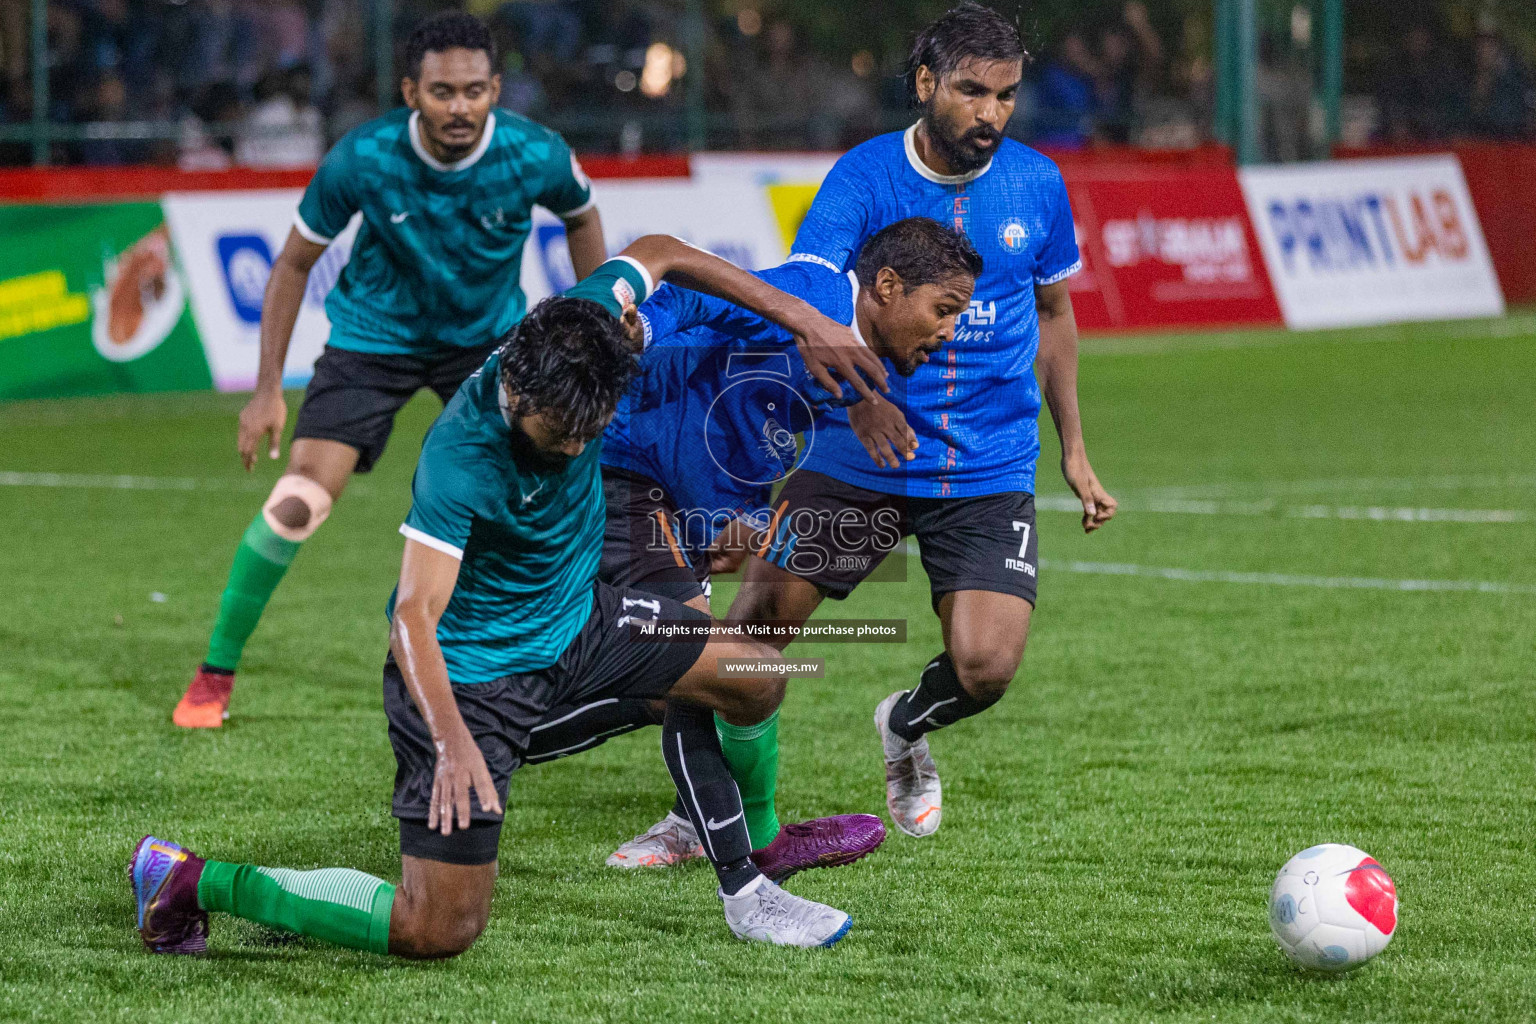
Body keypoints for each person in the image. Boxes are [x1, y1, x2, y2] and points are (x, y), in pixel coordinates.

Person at [132, 234, 889, 957]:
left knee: (752, 676)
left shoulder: (581, 331)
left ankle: (749, 885)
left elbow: (662, 253)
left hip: (586, 624)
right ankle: (193, 880)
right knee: (438, 928)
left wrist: (803, 318)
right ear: (518, 391)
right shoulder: (461, 458)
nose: (572, 447)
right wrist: (455, 739)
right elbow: (412, 616)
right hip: (475, 680)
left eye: (587, 430)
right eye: (560, 431)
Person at [723, 2, 1117, 840]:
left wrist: (1074, 448)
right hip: (858, 450)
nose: (992, 115)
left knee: (985, 668)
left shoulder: (1037, 183)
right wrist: (858, 397)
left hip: (988, 461)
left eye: (1007, 95)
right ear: (926, 83)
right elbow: (805, 296)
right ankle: (706, 813)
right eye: (973, 92)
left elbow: (1055, 315)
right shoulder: (863, 179)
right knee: (752, 632)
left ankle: (904, 727)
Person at [172, 11, 611, 729]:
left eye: (474, 90)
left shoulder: (536, 153)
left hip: (487, 346)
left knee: (543, 492)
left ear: (496, 88)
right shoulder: (364, 158)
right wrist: (264, 391)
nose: (460, 107)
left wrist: (594, 324)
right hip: (373, 342)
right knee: (299, 501)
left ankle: (545, 659)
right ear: (412, 91)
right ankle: (214, 673)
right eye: (443, 91)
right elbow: (291, 264)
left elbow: (584, 216)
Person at [586, 217, 982, 869]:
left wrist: (737, 517)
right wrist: (642, 330)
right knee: (701, 665)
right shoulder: (814, 297)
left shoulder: (867, 366)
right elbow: (690, 293)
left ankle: (725, 831)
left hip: (681, 490)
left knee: (712, 670)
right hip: (629, 459)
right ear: (885, 286)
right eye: (943, 310)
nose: (949, 331)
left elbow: (758, 426)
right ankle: (745, 840)